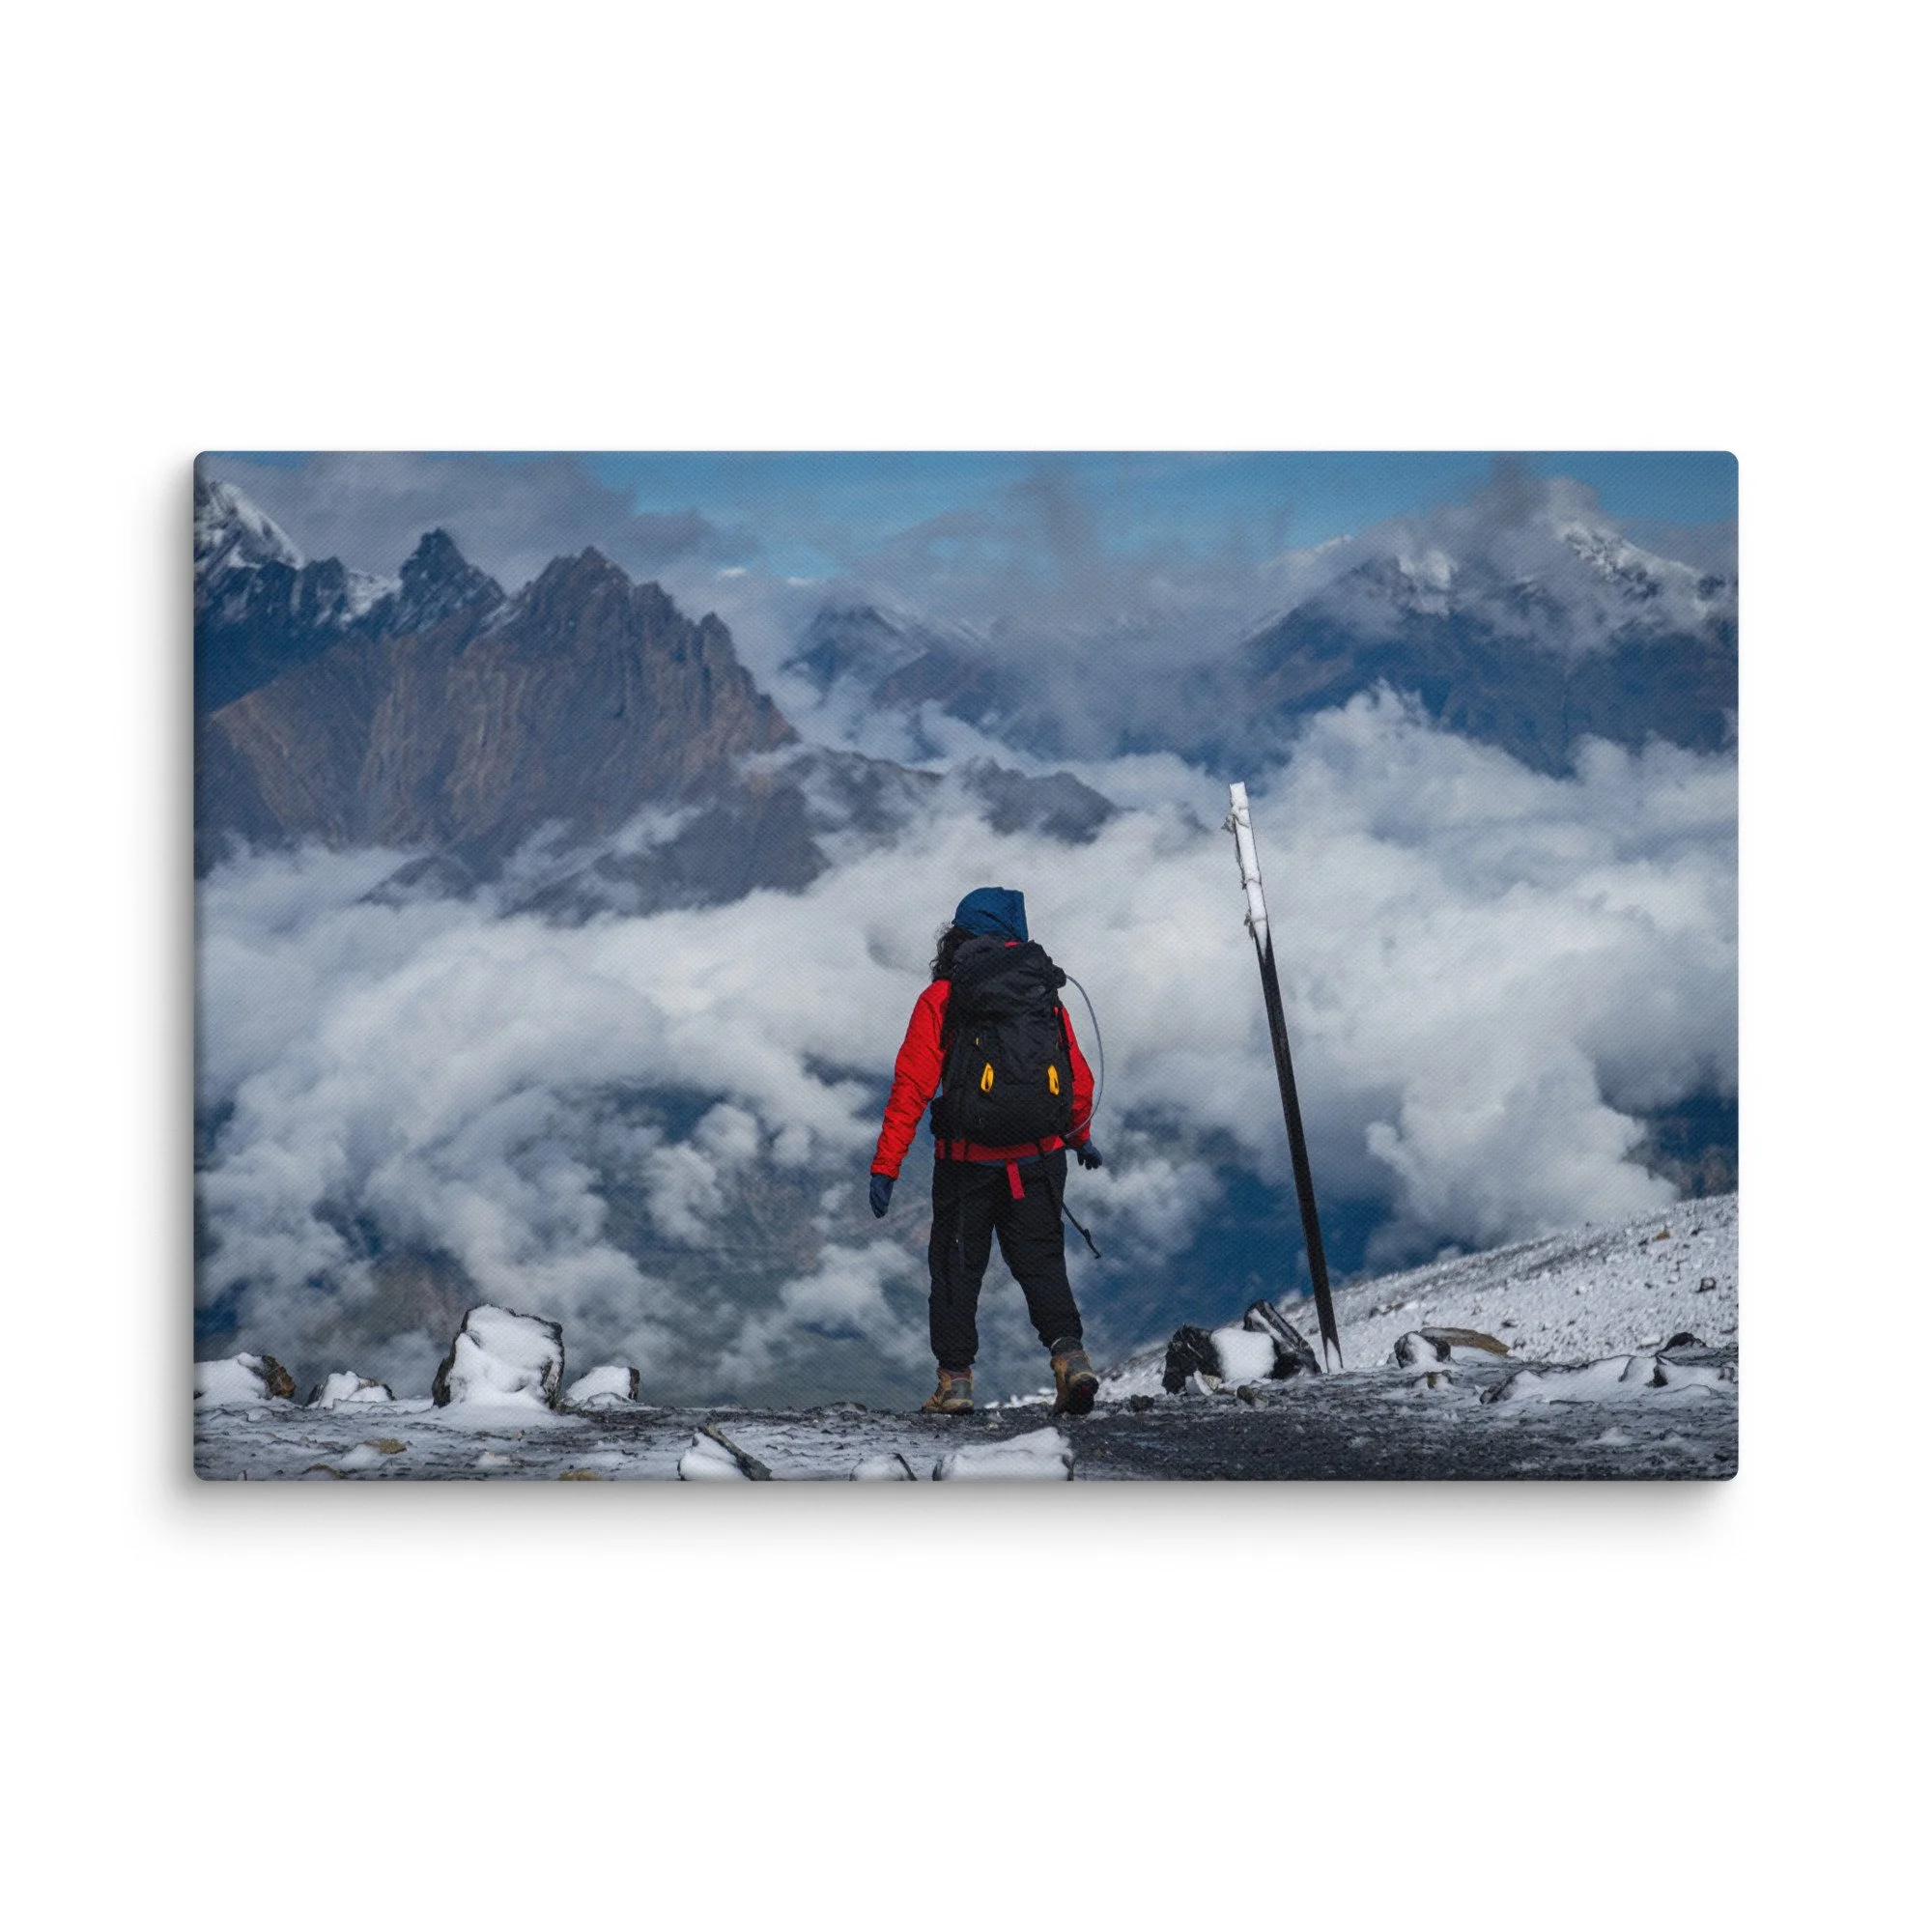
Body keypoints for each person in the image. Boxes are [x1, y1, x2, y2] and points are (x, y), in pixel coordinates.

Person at [868, 886, 1103, 1416]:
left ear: (960, 935)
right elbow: (1075, 1075)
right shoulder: (1042, 993)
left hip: (966, 1162)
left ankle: (955, 1384)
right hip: (1040, 1157)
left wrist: (887, 1166)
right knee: (1042, 1262)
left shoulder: (942, 997)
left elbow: (912, 1086)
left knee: (956, 1269)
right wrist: (1079, 1136)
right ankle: (1071, 1361)